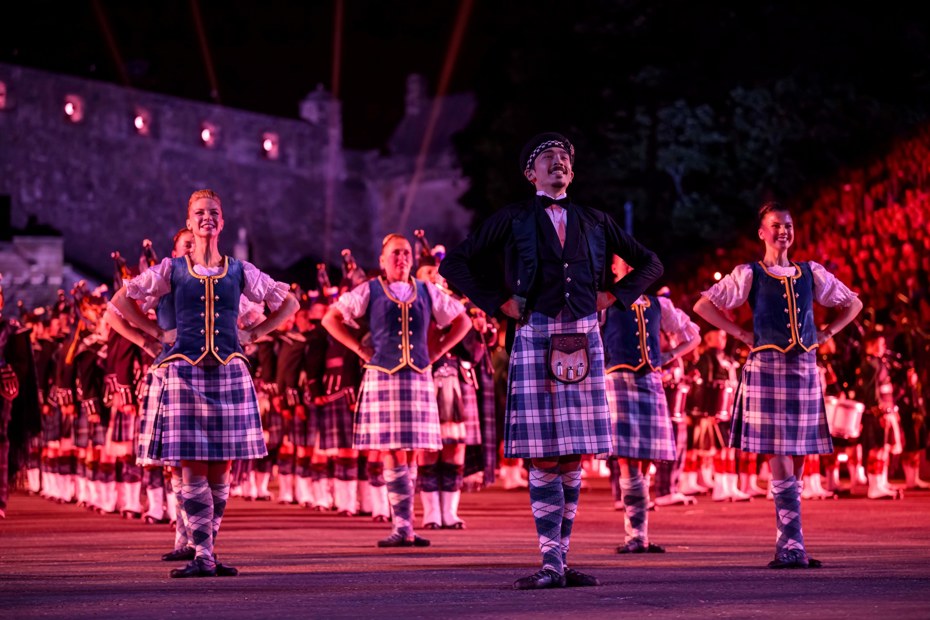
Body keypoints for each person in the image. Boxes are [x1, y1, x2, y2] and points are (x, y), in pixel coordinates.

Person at [439, 132, 663, 589]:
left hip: (584, 334)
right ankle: (549, 561)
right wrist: (497, 301)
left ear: (572, 171)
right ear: (531, 173)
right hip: (535, 332)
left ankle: (560, 561)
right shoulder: (515, 217)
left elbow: (650, 264)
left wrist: (614, 296)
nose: (558, 163)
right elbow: (455, 263)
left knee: (573, 454)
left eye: (565, 158)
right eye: (548, 158)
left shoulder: (596, 220)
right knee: (543, 454)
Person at [111, 189, 298, 577]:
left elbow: (290, 304)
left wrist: (257, 333)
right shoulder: (172, 268)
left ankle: (206, 549)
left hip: (229, 370)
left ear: (222, 221)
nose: (207, 218)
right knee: (194, 467)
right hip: (184, 373)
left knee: (222, 470)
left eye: (213, 212)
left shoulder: (240, 269)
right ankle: (203, 554)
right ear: (190, 220)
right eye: (199, 213)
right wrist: (152, 333)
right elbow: (121, 301)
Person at [694, 201, 862, 569]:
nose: (783, 231)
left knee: (799, 452)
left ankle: (787, 540)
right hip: (767, 365)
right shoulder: (749, 273)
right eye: (775, 225)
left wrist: (827, 331)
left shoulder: (810, 272)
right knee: (780, 451)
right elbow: (703, 306)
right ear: (762, 232)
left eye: (787, 225)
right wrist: (739, 332)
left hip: (803, 365)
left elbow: (853, 304)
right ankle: (792, 543)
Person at [322, 233, 470, 547]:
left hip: (417, 375)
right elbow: (331, 318)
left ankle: (409, 528)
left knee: (414, 450)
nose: (401, 259)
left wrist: (438, 351)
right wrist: (359, 351)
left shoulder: (427, 290)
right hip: (383, 375)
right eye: (394, 254)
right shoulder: (370, 289)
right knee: (391, 450)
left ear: (411, 259)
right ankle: (401, 527)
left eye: (404, 254)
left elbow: (463, 321)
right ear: (382, 261)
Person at [602, 256, 699, 553]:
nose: (630, 268)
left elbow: (692, 335)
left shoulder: (658, 304)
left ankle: (639, 535)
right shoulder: (604, 303)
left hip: (650, 381)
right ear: (614, 269)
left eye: (634, 264)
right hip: (617, 381)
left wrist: (668, 357)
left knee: (644, 463)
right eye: (624, 263)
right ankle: (634, 535)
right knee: (628, 461)